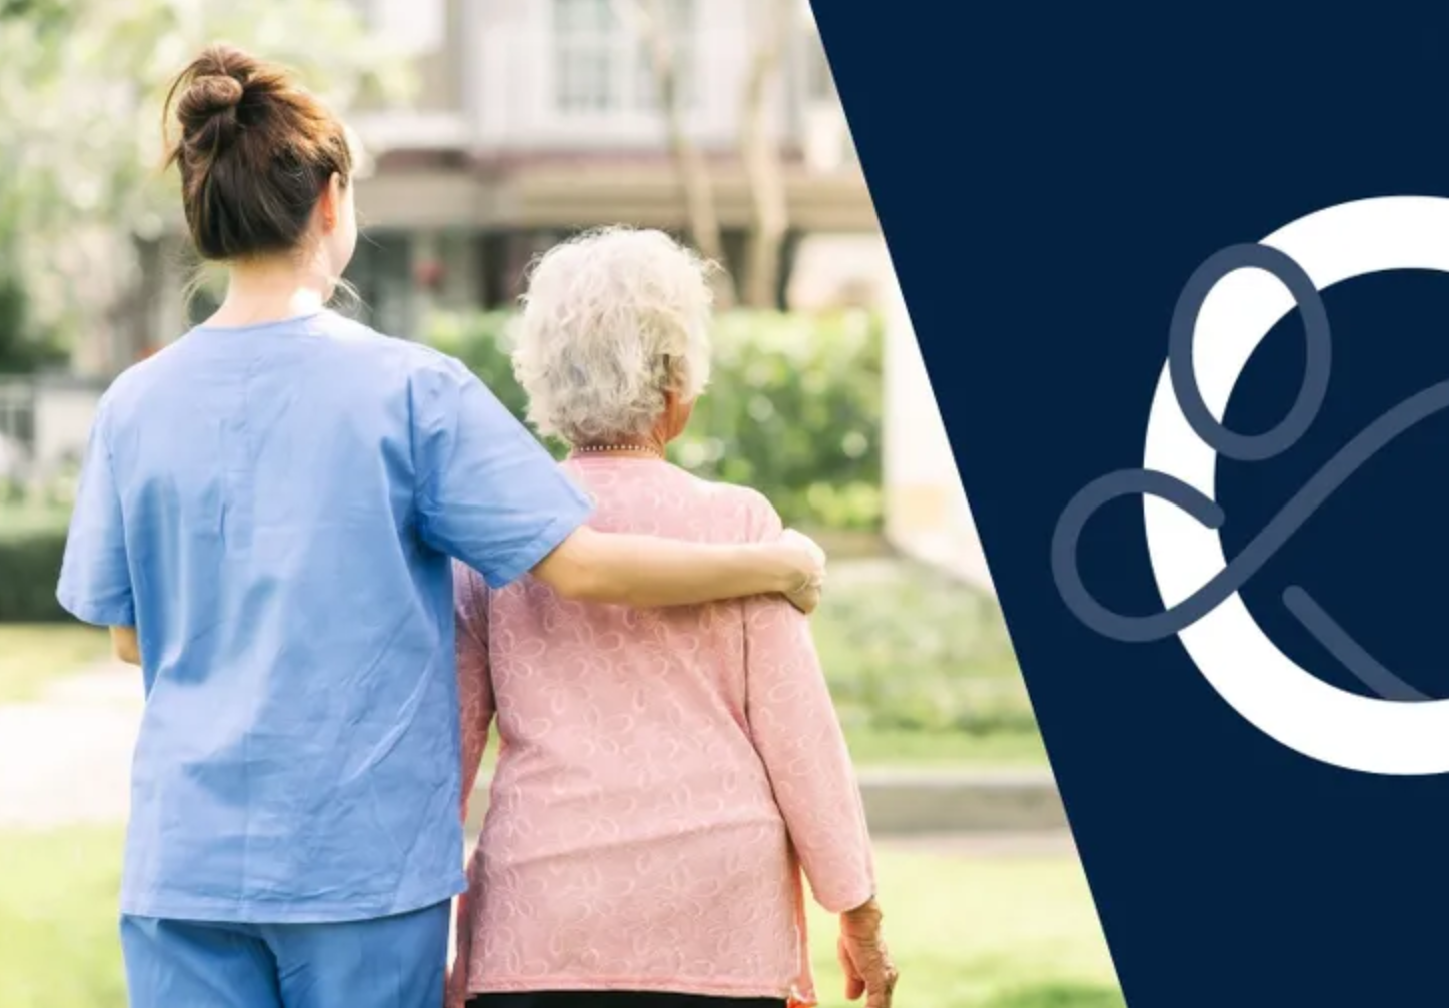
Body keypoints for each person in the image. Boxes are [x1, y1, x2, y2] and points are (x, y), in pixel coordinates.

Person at [53, 46, 827, 1008]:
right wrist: (771, 563)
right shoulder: (411, 391)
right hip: (362, 873)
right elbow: (581, 568)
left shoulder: (132, 404)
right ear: (331, 200)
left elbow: (131, 639)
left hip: (184, 867)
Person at [448, 227, 900, 1008]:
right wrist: (859, 914)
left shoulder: (496, 537)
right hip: (720, 926)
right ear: (675, 380)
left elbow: (442, 753)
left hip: (542, 924)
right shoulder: (742, 528)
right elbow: (803, 745)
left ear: (545, 375)